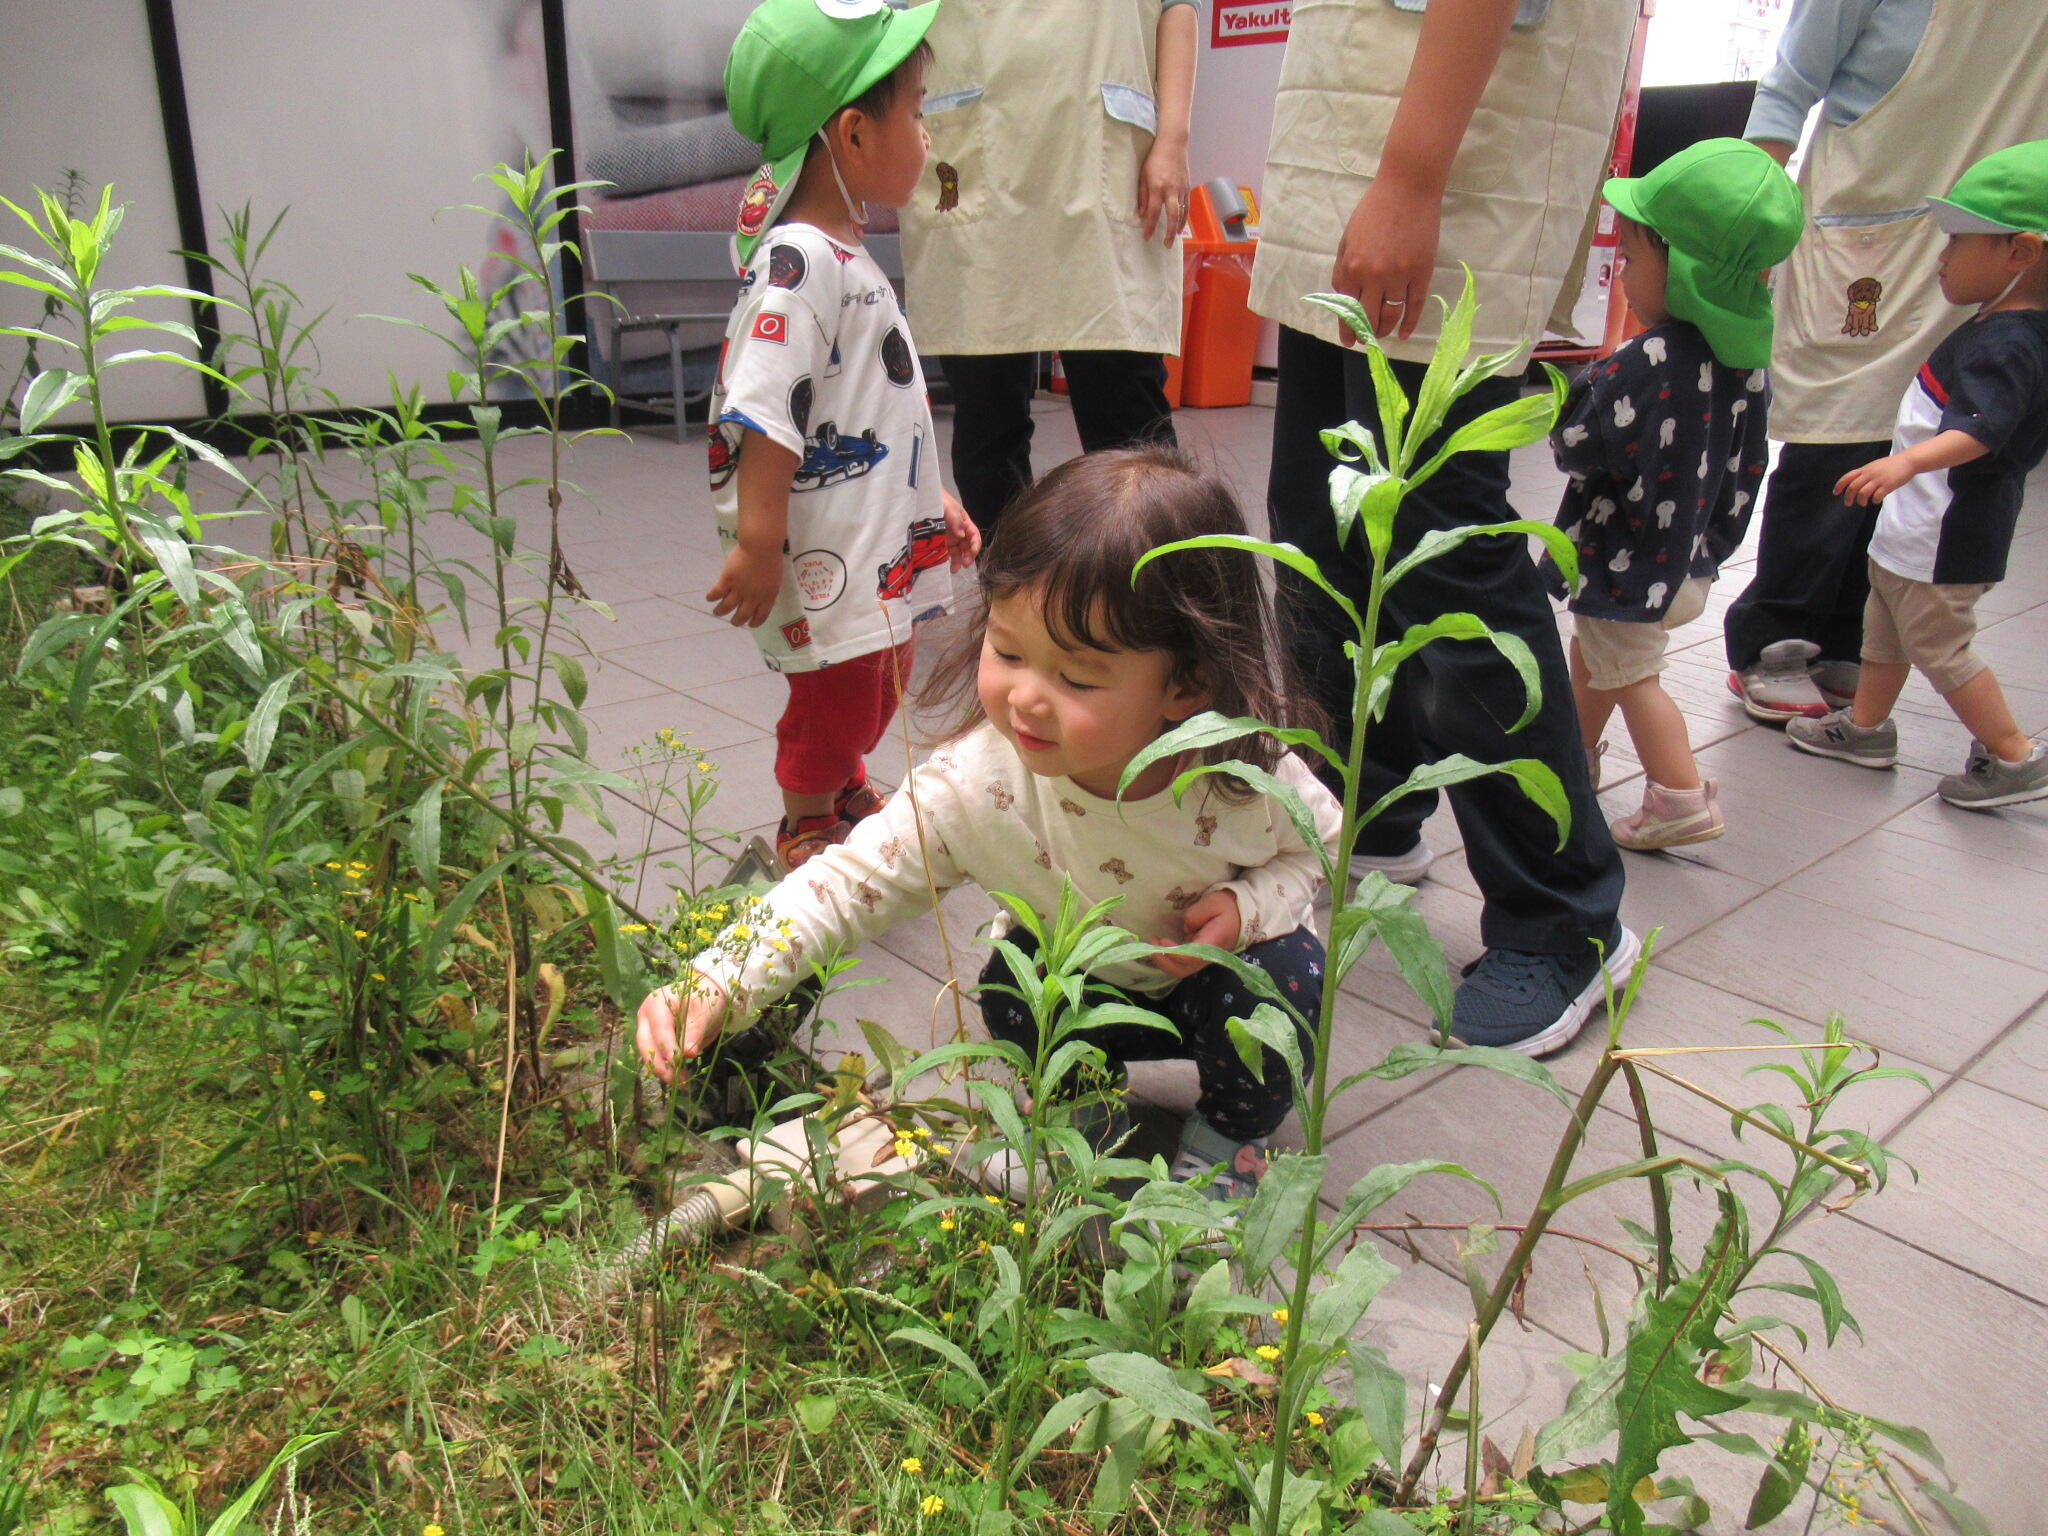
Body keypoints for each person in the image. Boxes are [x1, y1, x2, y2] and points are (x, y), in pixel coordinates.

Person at [639, 449, 1343, 1199]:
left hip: (1210, 986)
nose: (1025, 700)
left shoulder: (1241, 776)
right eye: (1007, 650)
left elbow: (1325, 854)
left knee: (1287, 981)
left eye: (1075, 677)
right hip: (1077, 994)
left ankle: (1231, 1136)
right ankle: (1075, 1112)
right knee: (1012, 978)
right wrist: (719, 978)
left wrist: (1245, 912)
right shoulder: (976, 783)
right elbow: (846, 882)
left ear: (1188, 684)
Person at [1250, 0, 1637, 1055]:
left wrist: (1410, 178)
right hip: (1361, 119)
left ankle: (1564, 914)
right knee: (1319, 508)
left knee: (1437, 535)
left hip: (1445, 127)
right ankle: (1367, 810)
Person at [1722, 0, 2048, 723]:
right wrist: (1743, 223)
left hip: (1997, 239)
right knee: (1836, 433)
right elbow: (1787, 86)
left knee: (1922, 436)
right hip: (1869, 225)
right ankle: (1775, 636)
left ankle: (1847, 636)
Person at [710, 0, 979, 872]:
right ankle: (807, 817)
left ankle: (841, 780)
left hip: (872, 527)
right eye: (918, 109)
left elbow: (873, 407)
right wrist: (758, 539)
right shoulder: (799, 263)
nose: (928, 133)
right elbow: (763, 406)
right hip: (821, 542)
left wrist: (930, 497)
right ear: (854, 135)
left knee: (884, 660)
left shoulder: (846, 255)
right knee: (837, 682)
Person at [1552, 140, 1803, 851]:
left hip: (1629, 562)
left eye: (1632, 260)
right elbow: (1750, 463)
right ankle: (1574, 762)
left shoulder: (1646, 360)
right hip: (1684, 560)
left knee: (1632, 675)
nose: (1624, 276)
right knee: (1599, 653)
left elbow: (1576, 443)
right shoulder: (1744, 364)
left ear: (1684, 271)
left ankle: (1681, 796)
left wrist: (1572, 395)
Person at [1785, 142, 2048, 809]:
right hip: (1919, 530)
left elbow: (1980, 429)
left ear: (2021, 253)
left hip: (1946, 533)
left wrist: (1905, 462)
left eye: (1959, 241)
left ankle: (2014, 755)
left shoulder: (2013, 342)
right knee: (1886, 633)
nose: (1942, 258)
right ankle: (1867, 729)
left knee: (1940, 647)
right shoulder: (1996, 325)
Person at [899, 0, 1198, 533]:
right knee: (988, 426)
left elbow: (1180, 5)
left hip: (1103, 152)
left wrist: (1173, 139)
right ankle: (1015, 604)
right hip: (973, 152)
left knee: (1129, 425)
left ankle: (1152, 606)